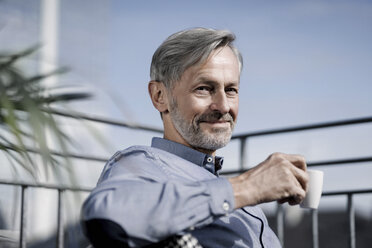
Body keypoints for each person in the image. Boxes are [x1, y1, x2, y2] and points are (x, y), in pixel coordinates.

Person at [81, 27, 308, 248]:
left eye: (231, 90)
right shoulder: (143, 163)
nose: (223, 106)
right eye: (204, 88)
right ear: (160, 96)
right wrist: (250, 187)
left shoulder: (227, 191)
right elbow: (106, 216)